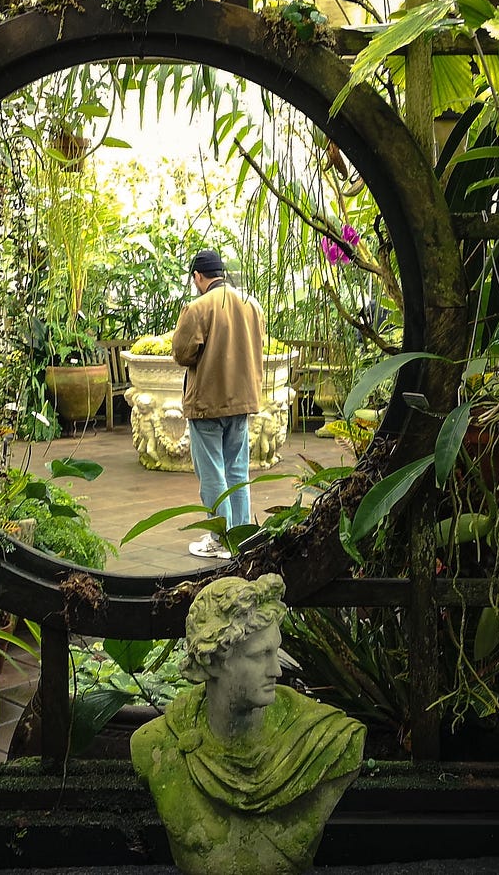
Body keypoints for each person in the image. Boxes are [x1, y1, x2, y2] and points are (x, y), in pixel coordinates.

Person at [130, 575, 365, 874]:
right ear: (212, 661)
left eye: (275, 652)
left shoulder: (325, 741)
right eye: (260, 656)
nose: (277, 670)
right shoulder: (156, 745)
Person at [172, 248, 265, 559]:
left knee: (212, 473)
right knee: (238, 472)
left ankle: (220, 538)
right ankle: (241, 539)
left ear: (199, 277)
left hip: (207, 404)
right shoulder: (252, 305)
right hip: (242, 402)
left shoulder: (198, 308)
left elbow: (182, 353)